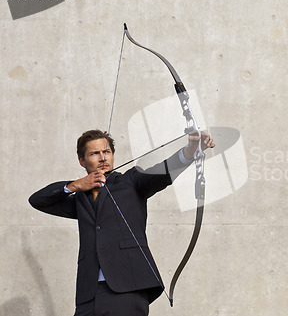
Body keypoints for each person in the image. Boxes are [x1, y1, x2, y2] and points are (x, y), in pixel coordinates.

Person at [29, 129, 214, 316]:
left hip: (127, 289)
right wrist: (76, 185)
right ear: (82, 161)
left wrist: (189, 152)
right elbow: (37, 200)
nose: (102, 158)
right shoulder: (80, 197)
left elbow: (161, 173)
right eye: (94, 153)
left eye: (106, 152)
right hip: (88, 294)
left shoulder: (131, 181)